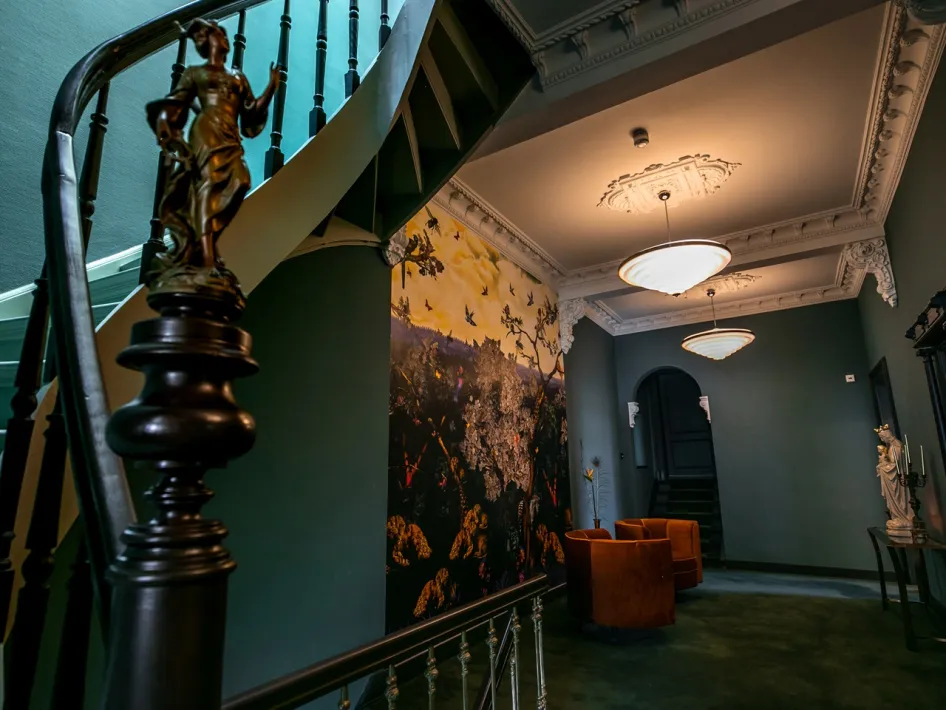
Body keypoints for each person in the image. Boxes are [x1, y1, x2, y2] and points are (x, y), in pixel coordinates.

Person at [147, 18, 279, 272]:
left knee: (241, 181)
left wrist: (271, 86)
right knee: (207, 187)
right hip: (206, 131)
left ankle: (203, 246)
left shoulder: (237, 77)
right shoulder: (196, 73)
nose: (227, 39)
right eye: (221, 34)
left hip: (230, 134)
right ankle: (207, 254)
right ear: (209, 39)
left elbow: (250, 113)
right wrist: (166, 126)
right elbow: (176, 103)